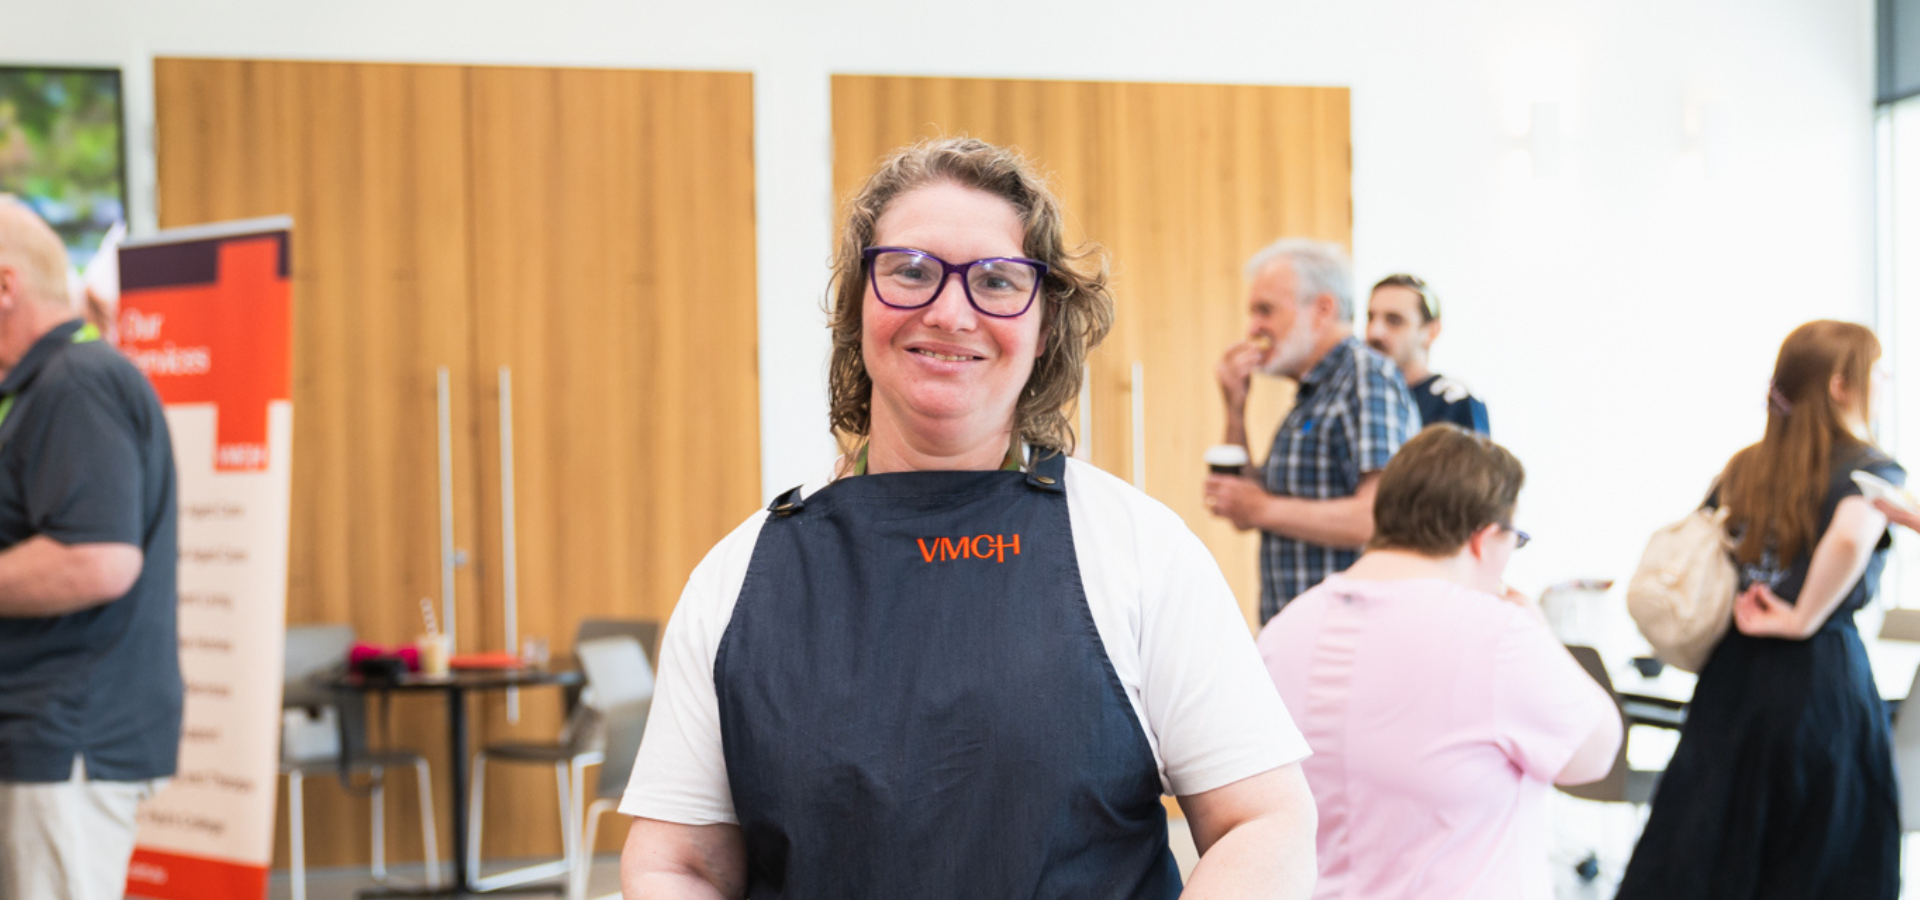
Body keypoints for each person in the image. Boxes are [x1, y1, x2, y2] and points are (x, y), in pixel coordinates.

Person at [618, 138, 1318, 899]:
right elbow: (674, 864)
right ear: (860, 303)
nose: (950, 312)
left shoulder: (1140, 552)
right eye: (911, 272)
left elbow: (1265, 823)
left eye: (997, 280)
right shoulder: (737, 576)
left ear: (1044, 326)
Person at [1257, 424, 1620, 899]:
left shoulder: (1284, 630)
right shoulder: (1497, 635)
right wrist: (1539, 632)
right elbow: (1594, 754)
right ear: (1485, 537)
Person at [1617, 320, 1903, 899]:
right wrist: (1802, 617)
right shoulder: (1870, 469)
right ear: (1843, 385)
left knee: (1711, 840)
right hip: (1819, 679)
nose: (1886, 380)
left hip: (1735, 671)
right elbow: (1849, 539)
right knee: (1818, 854)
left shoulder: (1744, 465)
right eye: (1877, 370)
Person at [0, 198, 181, 900]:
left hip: (70, 737)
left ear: (6, 285)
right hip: (48, 737)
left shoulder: (77, 384)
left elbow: (98, 558)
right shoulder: (47, 386)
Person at [1206, 240, 1419, 623]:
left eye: (1265, 310)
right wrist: (1235, 410)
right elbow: (1247, 511)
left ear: (1323, 309)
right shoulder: (1310, 395)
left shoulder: (1366, 377)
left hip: (1346, 637)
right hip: (1298, 635)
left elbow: (1378, 517)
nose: (1253, 327)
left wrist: (1263, 508)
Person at [1363, 273, 1488, 434]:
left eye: (1394, 320)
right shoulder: (1358, 396)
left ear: (1431, 331)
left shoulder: (1452, 402)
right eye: (1370, 318)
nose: (1375, 332)